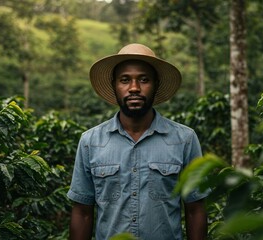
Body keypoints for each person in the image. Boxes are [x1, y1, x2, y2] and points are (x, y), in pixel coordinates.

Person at [67, 43, 209, 240]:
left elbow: (195, 209)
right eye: (125, 80)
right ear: (114, 85)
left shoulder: (184, 140)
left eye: (144, 79)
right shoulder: (91, 142)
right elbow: (82, 212)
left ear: (156, 84)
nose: (134, 88)